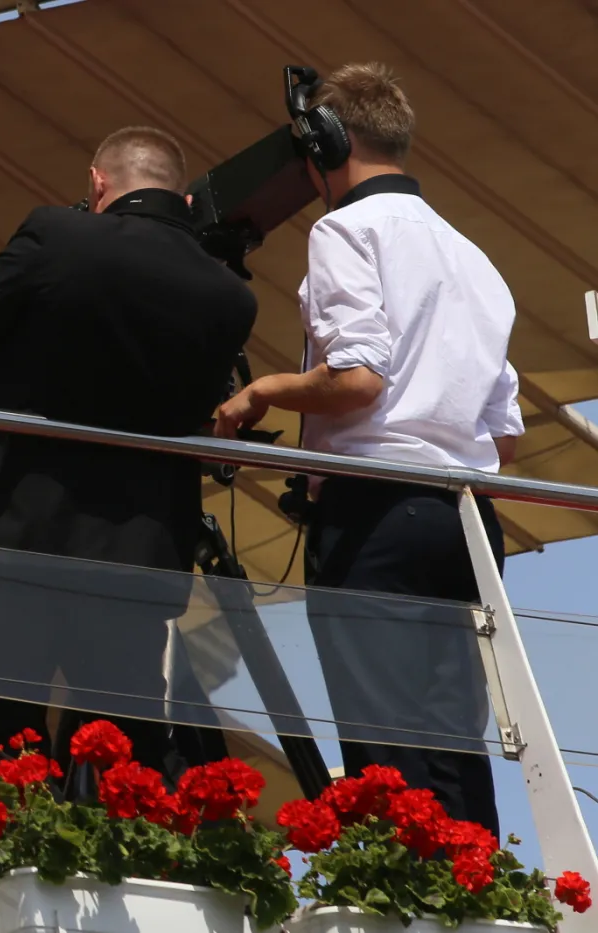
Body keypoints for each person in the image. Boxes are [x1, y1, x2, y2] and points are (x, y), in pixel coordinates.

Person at [216, 63, 521, 835]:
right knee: (452, 734)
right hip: (467, 518)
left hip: (378, 511)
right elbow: (506, 436)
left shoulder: (344, 229)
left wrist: (265, 391)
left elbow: (359, 380)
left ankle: (404, 897)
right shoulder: (473, 257)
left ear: (326, 141)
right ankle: (471, 890)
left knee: (381, 734)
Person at [0, 126, 258, 782]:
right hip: (138, 559)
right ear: (186, 205)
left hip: (9, 542)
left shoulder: (57, 236)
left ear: (98, 184)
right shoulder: (229, 298)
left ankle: (12, 871)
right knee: (119, 756)